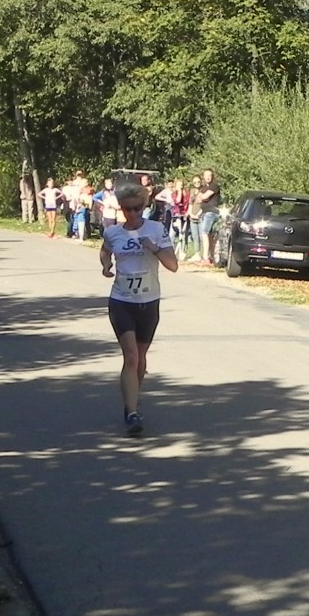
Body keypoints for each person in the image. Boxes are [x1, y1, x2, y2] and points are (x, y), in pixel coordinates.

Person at [99, 182, 179, 437]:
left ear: (144, 207)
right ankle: (132, 413)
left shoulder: (156, 229)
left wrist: (154, 249)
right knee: (131, 356)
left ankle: (132, 398)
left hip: (149, 302)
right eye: (127, 209)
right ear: (121, 209)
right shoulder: (113, 232)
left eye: (137, 209)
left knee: (141, 357)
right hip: (121, 301)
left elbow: (173, 265)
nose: (133, 214)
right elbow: (105, 251)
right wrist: (105, 265)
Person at [196, 169, 223, 264]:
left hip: (211, 213)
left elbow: (204, 197)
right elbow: (197, 200)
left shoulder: (214, 186)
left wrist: (202, 197)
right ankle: (211, 256)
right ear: (203, 176)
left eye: (209, 175)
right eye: (206, 175)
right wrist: (201, 197)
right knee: (209, 235)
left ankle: (205, 257)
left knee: (204, 232)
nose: (208, 177)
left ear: (212, 176)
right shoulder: (203, 188)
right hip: (204, 212)